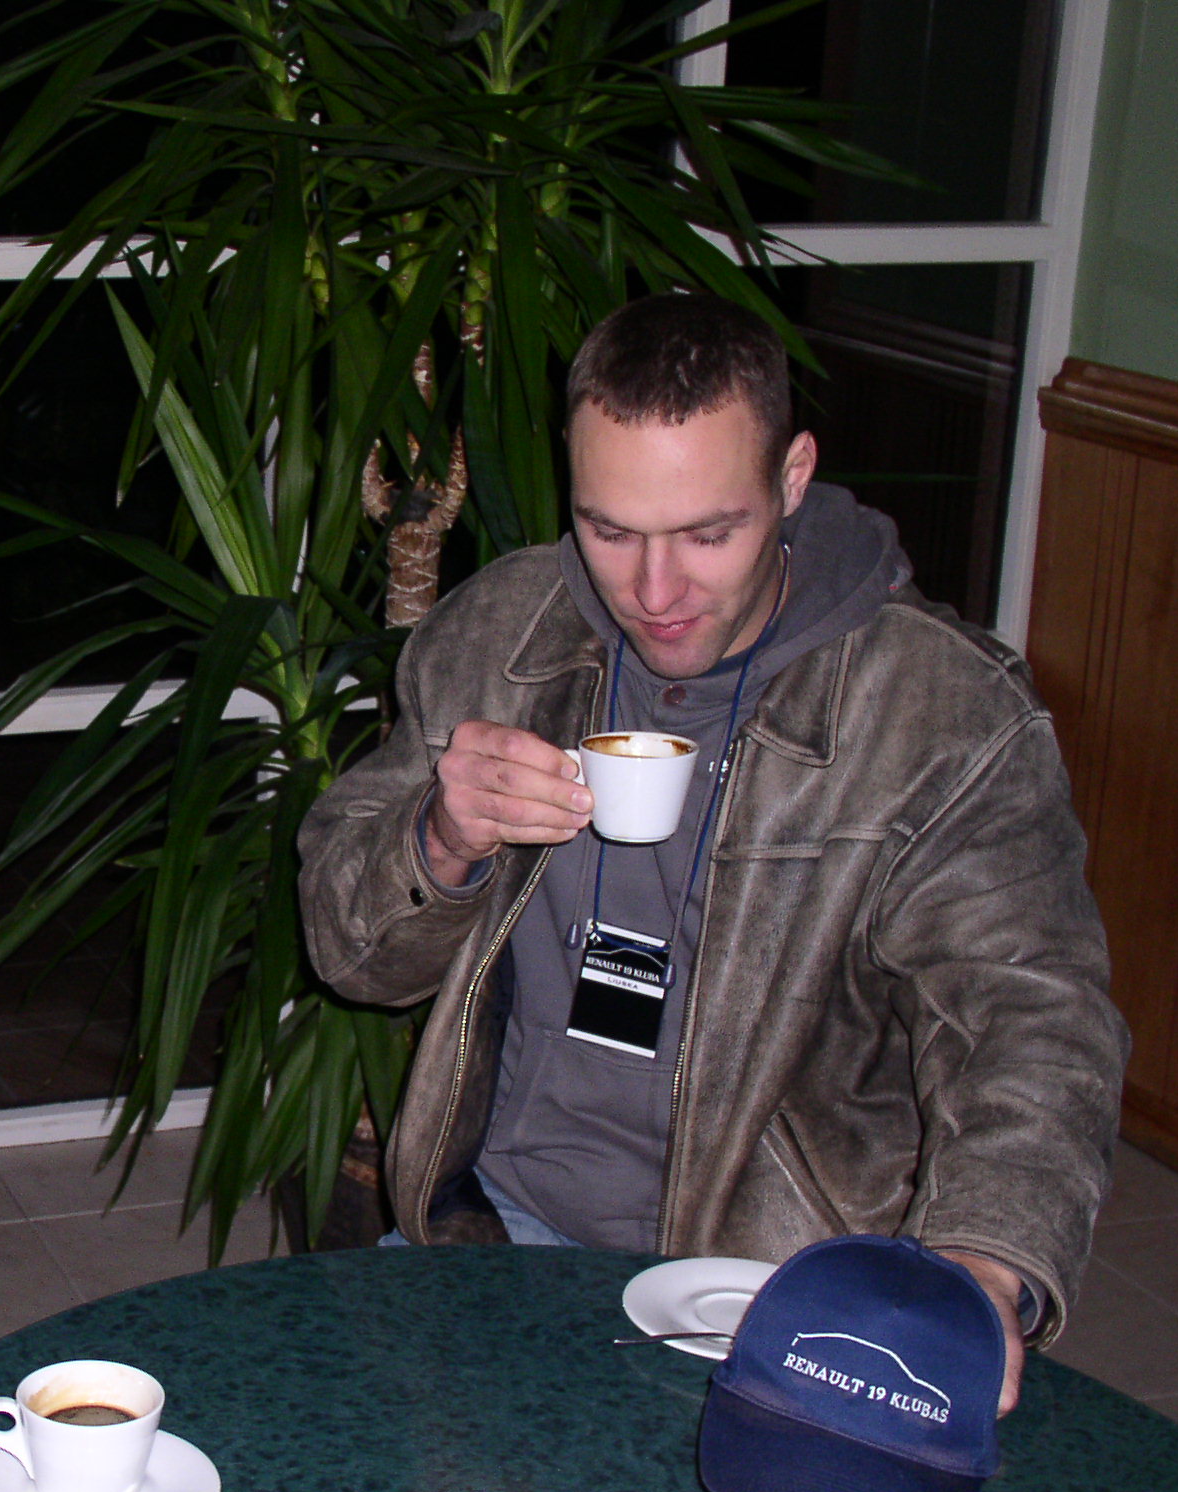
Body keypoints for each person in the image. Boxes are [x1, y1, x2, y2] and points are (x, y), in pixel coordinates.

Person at [299, 293, 1125, 1415]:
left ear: (792, 478)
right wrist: (441, 839)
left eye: (706, 534)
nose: (654, 593)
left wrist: (981, 1262)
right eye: (610, 531)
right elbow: (349, 957)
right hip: (491, 1232)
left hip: (779, 1282)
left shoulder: (941, 715)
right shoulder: (498, 634)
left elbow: (1030, 1019)